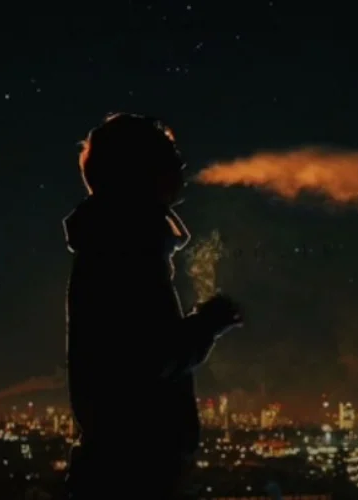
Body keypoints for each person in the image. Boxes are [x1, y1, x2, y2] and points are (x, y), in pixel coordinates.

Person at [62, 113, 243, 499]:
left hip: (123, 471)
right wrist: (208, 322)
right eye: (170, 157)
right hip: (133, 476)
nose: (181, 166)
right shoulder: (125, 251)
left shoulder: (113, 243)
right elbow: (151, 357)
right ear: (141, 172)